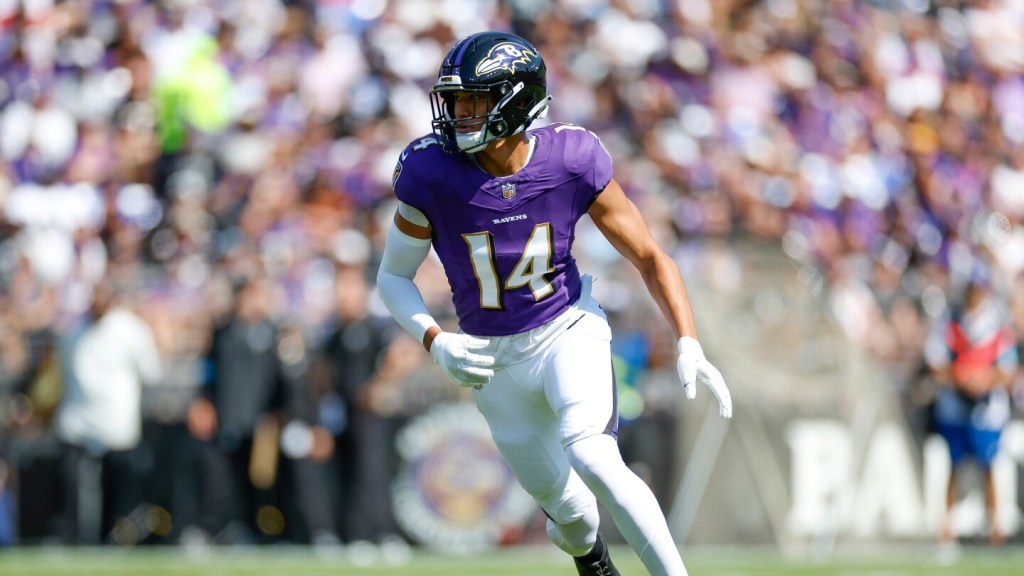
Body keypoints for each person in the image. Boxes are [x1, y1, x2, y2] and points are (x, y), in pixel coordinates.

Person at [376, 31, 732, 576]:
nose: (459, 115)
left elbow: (649, 255)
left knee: (593, 454)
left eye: (473, 100)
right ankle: (594, 562)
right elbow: (393, 276)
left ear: (515, 101)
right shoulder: (430, 173)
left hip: (566, 327)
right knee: (572, 519)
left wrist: (688, 339)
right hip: (491, 360)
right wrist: (435, 339)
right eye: (455, 101)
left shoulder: (571, 158)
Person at [925, 270, 1018, 546]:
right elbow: (936, 363)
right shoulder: (949, 321)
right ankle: (947, 524)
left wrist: (984, 380)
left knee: (990, 463)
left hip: (987, 410)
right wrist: (961, 378)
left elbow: (1007, 369)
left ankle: (994, 523)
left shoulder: (997, 323)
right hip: (955, 407)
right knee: (953, 464)